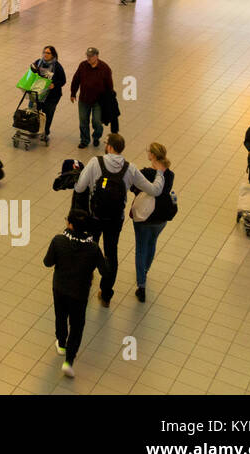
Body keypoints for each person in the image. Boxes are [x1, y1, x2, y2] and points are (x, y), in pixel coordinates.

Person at [73, 133, 165, 307]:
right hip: (115, 220)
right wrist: (160, 172)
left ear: (109, 147)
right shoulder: (130, 169)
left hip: (95, 216)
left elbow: (79, 187)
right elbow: (154, 190)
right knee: (111, 254)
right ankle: (106, 295)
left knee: (91, 247)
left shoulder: (95, 162)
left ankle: (86, 281)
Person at [43, 208, 108, 378]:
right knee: (77, 327)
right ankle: (69, 362)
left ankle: (61, 344)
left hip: (59, 288)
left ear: (70, 224)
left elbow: (47, 262)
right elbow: (105, 271)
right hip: (79, 293)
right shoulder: (93, 248)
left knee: (60, 316)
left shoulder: (58, 240)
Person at [131, 142, 175, 303]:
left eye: (148, 151)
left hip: (144, 217)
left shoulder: (147, 173)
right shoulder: (170, 174)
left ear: (153, 156)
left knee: (140, 249)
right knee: (152, 243)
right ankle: (146, 270)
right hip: (161, 218)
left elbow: (133, 186)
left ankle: (141, 285)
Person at [68, 46, 113, 149]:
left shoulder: (105, 68)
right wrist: (73, 93)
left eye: (91, 56)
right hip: (84, 99)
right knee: (83, 121)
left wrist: (109, 100)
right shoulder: (83, 65)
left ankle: (96, 136)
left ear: (97, 56)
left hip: (98, 101)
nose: (88, 58)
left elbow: (109, 85)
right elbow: (76, 79)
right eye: (87, 56)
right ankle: (85, 140)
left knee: (97, 122)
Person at [30, 45, 66, 141]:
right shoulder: (38, 62)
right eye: (44, 52)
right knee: (35, 112)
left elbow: (63, 80)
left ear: (53, 55)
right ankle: (34, 130)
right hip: (39, 93)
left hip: (52, 96)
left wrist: (54, 85)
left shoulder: (57, 67)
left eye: (48, 53)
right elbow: (32, 73)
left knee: (48, 114)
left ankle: (45, 132)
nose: (45, 54)